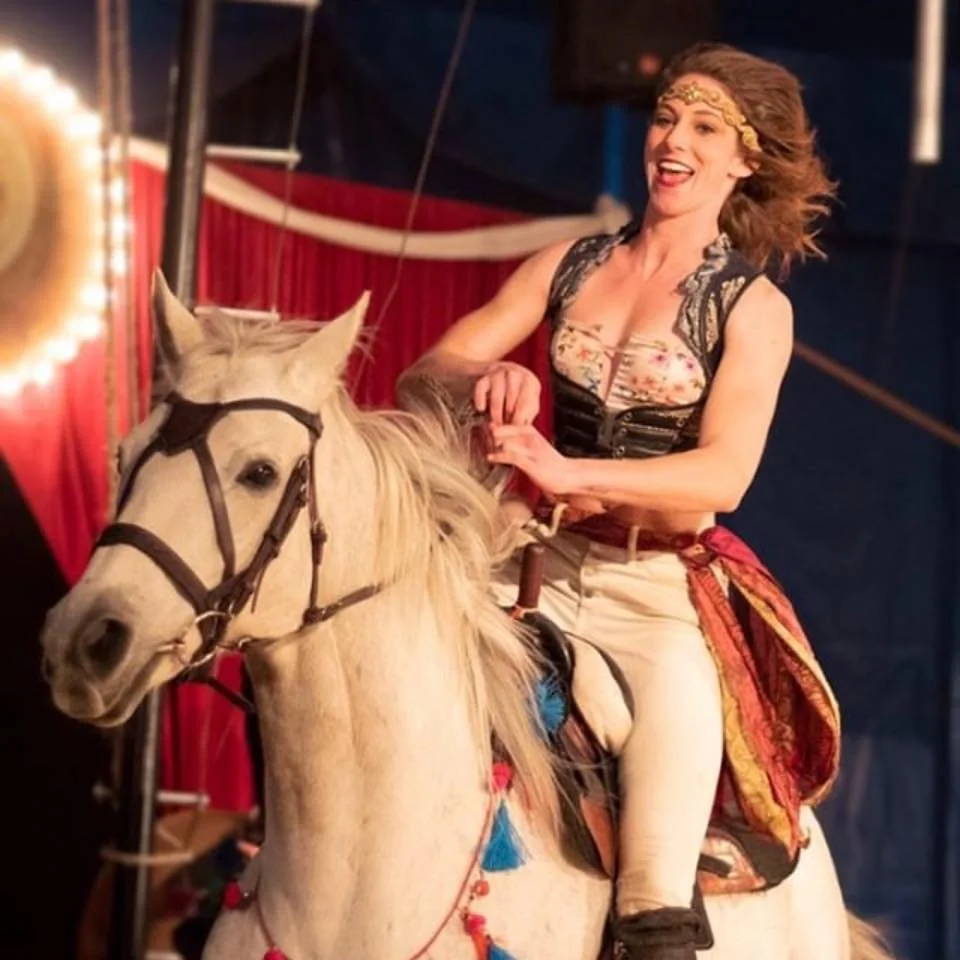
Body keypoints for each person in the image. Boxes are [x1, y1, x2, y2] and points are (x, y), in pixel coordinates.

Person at [399, 43, 842, 960]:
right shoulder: (567, 264)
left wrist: (571, 475)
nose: (674, 141)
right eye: (667, 117)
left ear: (744, 161)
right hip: (528, 565)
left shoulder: (755, 308)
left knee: (653, 897)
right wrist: (487, 383)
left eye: (705, 128)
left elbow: (722, 478)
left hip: (654, 601)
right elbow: (425, 373)